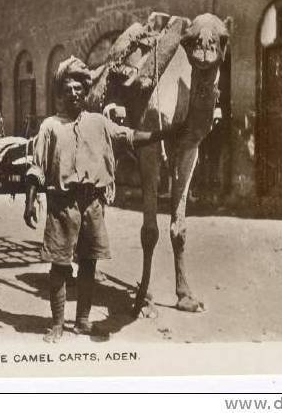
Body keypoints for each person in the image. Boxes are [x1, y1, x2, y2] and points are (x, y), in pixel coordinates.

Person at [23, 56, 173, 343]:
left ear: (86, 91)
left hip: (92, 204)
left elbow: (129, 136)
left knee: (89, 263)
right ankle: (56, 324)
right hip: (63, 206)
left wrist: (165, 132)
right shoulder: (50, 127)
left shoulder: (98, 123)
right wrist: (30, 203)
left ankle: (81, 321)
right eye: (69, 89)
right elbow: (36, 169)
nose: (74, 93)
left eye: (80, 88)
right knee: (59, 265)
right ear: (60, 93)